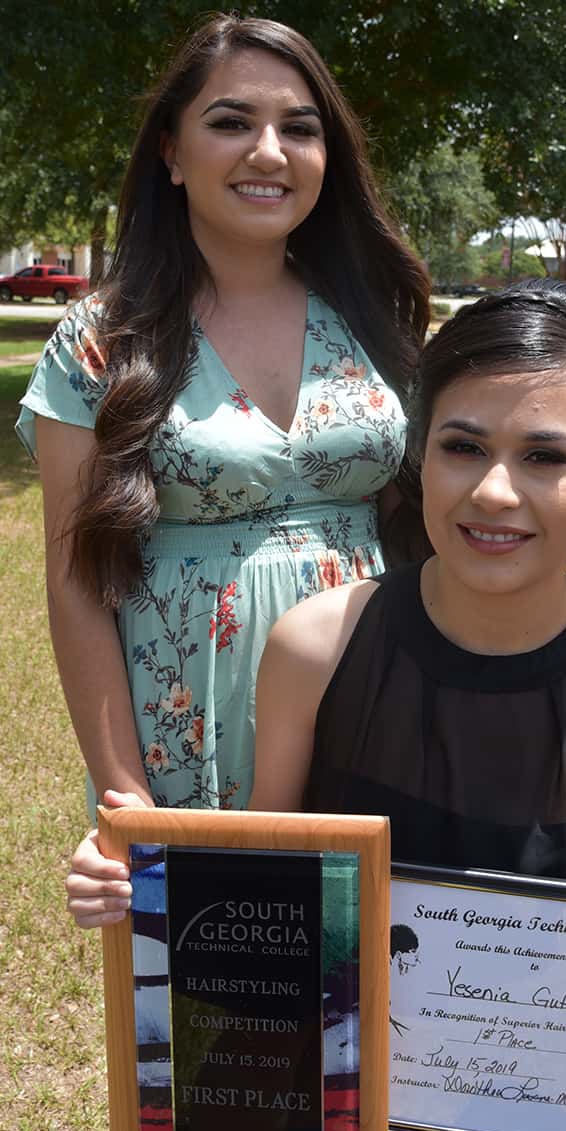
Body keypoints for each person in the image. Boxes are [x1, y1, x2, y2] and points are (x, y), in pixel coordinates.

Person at [72, 280, 566, 1131]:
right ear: (418, 455)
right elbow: (261, 860)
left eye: (544, 457)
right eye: (462, 446)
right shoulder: (317, 644)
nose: (493, 491)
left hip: (536, 1083)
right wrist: (139, 882)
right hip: (325, 1063)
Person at [16, 13, 430, 831]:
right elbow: (75, 581)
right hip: (185, 712)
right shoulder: (102, 340)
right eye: (231, 122)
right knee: (212, 952)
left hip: (368, 697)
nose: (268, 152)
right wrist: (121, 791)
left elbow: (417, 523)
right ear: (171, 152)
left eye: (299, 129)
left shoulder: (372, 319)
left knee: (373, 949)